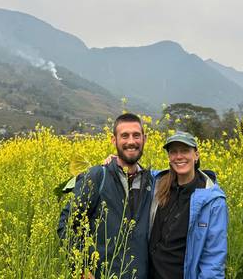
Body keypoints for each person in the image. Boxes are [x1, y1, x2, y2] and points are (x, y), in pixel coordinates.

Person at [58, 113, 154, 279]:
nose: (131, 141)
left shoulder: (152, 182)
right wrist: (80, 267)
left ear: (144, 139)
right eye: (124, 136)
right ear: (113, 140)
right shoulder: (98, 176)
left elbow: (184, 172)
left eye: (136, 135)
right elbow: (66, 224)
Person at [149, 131, 228, 279]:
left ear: (196, 155)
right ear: (169, 157)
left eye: (185, 150)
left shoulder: (213, 200)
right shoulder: (158, 184)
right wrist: (116, 161)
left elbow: (214, 260)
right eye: (173, 152)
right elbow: (135, 172)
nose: (179, 156)